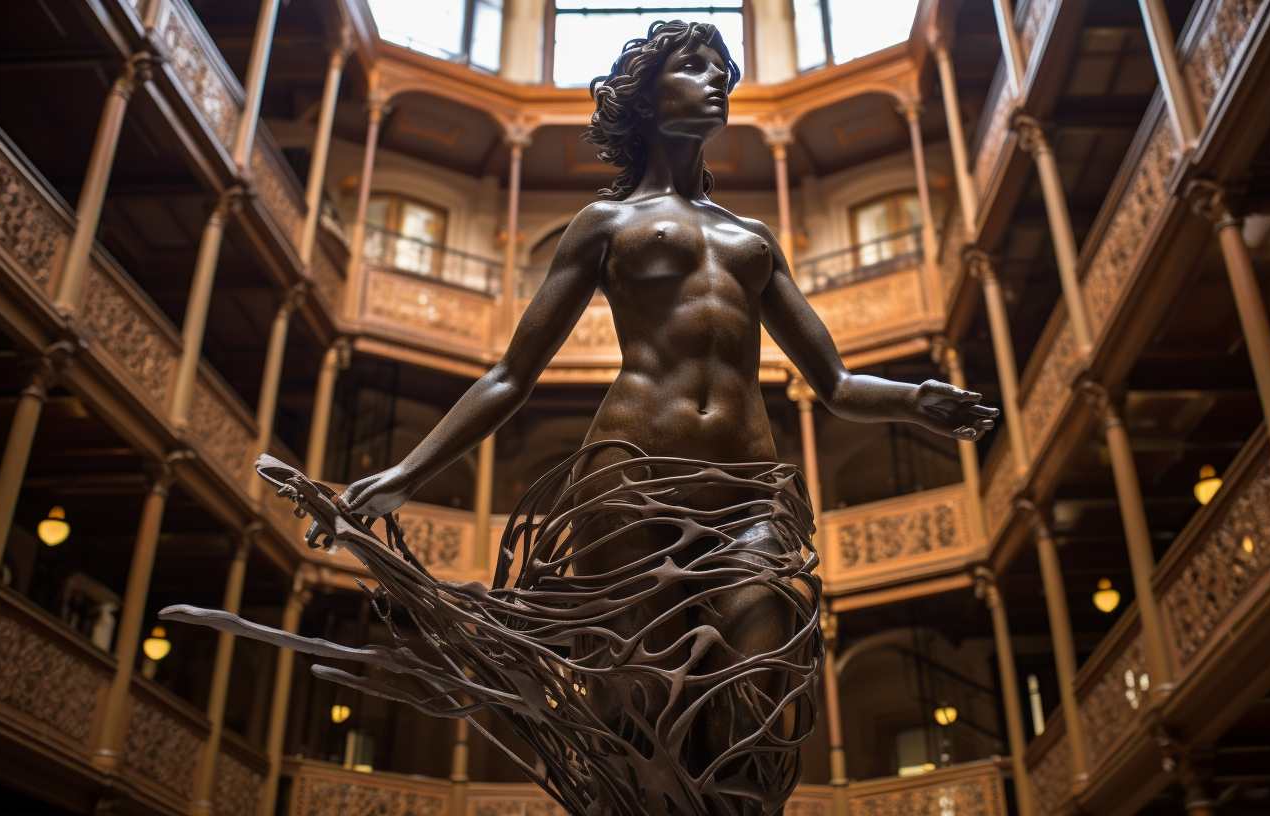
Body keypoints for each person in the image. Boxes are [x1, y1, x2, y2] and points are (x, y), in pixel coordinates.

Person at [165, 20, 994, 816]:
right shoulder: (604, 225)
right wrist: (406, 474)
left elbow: (837, 380)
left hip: (747, 495)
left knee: (758, 708)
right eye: (697, 66)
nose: (718, 83)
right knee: (638, 712)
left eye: (725, 73)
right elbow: (510, 374)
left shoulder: (751, 237)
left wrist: (915, 400)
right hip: (629, 482)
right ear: (646, 92)